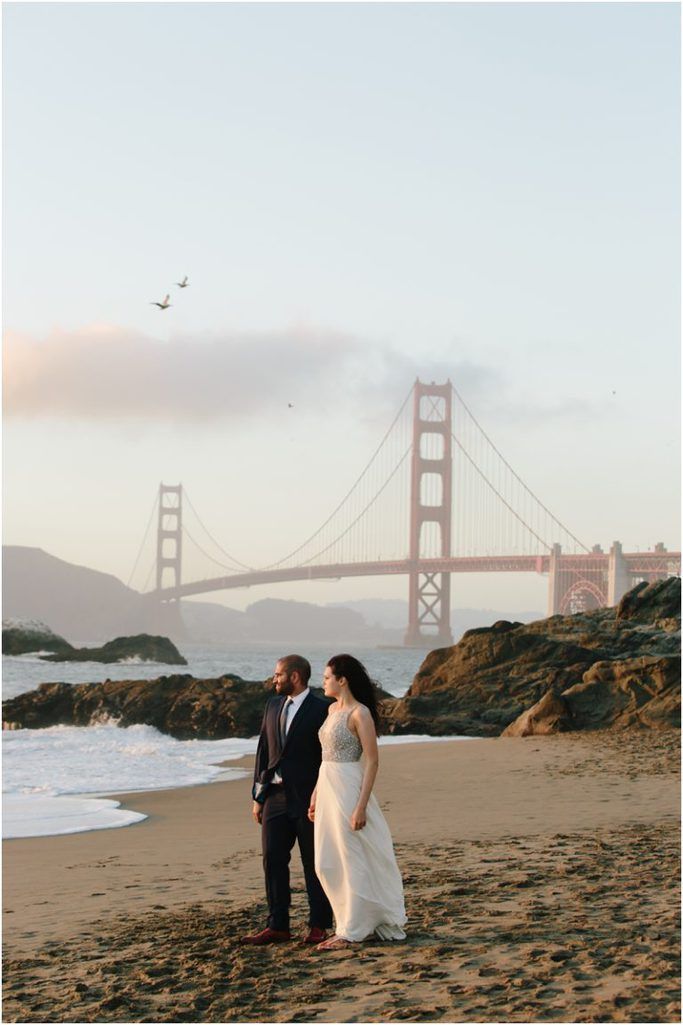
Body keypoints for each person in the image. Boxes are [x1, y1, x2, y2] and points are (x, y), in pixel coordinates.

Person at [309, 653, 407, 950]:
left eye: (327, 678)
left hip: (349, 788)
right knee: (326, 861)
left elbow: (373, 761)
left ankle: (352, 929)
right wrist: (315, 794)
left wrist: (361, 806)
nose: (323, 682)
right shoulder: (330, 711)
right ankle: (347, 921)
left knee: (351, 856)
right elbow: (323, 758)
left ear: (342, 680)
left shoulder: (359, 714)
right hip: (327, 786)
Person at [241, 654, 333, 945]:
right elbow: (263, 752)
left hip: (309, 798)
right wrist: (259, 796)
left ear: (295, 676)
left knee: (313, 862)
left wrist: (323, 794)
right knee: (273, 860)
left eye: (279, 674)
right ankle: (278, 925)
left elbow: (327, 757)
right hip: (274, 797)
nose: (274, 679)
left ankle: (318, 924)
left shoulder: (323, 708)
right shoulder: (272, 705)